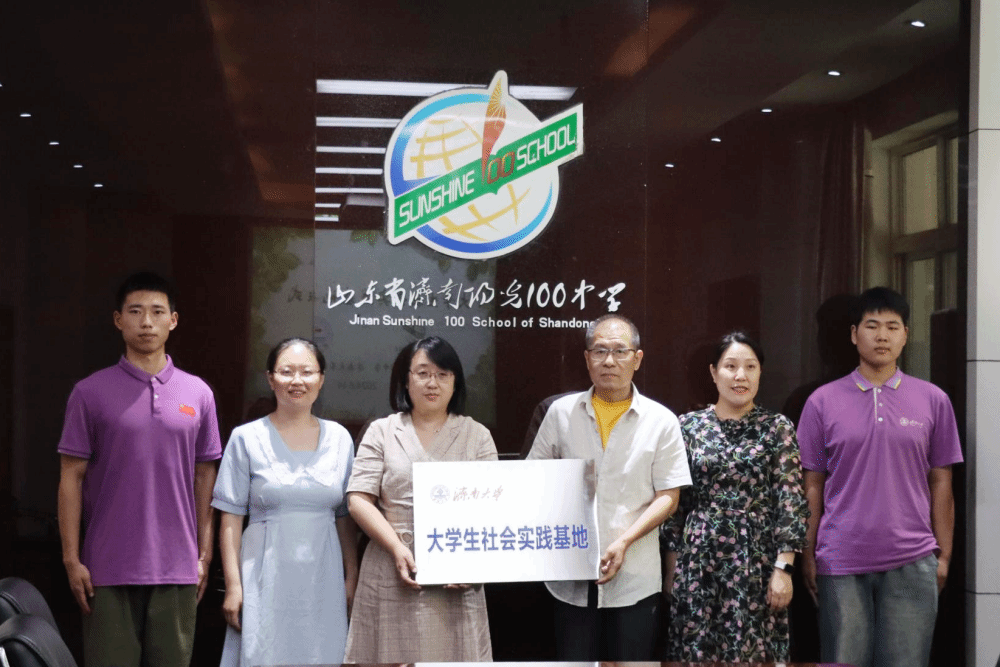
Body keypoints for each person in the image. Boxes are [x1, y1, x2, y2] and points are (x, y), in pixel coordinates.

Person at [57, 271, 221, 667]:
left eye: (157, 312)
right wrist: (71, 558)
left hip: (178, 569)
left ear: (173, 320)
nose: (146, 322)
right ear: (118, 320)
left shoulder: (198, 393)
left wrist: (204, 555)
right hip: (106, 569)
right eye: (135, 311)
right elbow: (70, 478)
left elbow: (205, 477)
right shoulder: (89, 392)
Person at [798, 287, 963, 667]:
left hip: (913, 558)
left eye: (892, 326)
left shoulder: (933, 400)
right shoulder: (821, 402)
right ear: (854, 334)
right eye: (872, 326)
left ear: (906, 335)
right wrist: (808, 553)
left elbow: (942, 481)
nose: (882, 336)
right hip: (840, 559)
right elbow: (812, 485)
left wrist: (943, 555)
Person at [526, 314, 691, 660]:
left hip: (635, 578)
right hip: (569, 576)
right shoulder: (560, 413)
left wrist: (624, 541)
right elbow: (534, 481)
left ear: (637, 358)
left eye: (620, 351)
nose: (609, 361)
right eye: (599, 351)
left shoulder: (661, 421)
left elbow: (669, 496)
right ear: (587, 359)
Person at [344, 336, 497, 662]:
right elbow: (358, 498)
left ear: (456, 381)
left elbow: (493, 509)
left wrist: (475, 565)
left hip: (457, 573)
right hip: (390, 568)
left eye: (443, 374)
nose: (433, 383)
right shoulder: (382, 431)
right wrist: (396, 547)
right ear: (405, 379)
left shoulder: (477, 436)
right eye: (423, 373)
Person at [663, 331, 809, 662]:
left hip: (758, 562)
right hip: (699, 561)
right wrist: (672, 570)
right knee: (697, 652)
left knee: (754, 653)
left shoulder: (777, 427)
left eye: (750, 367)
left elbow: (790, 502)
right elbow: (676, 504)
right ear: (714, 372)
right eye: (730, 366)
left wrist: (784, 569)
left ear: (760, 373)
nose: (740, 376)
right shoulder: (687, 427)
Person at [212, 338, 358, 666]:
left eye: (307, 372)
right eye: (286, 371)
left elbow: (344, 515)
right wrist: (234, 585)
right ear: (270, 378)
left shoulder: (339, 439)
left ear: (321, 379)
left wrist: (352, 574)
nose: (297, 380)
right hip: (264, 576)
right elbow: (230, 518)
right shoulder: (246, 438)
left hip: (323, 575)